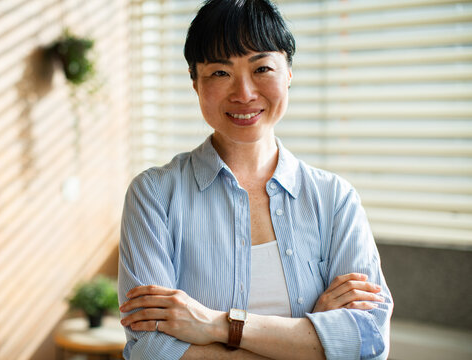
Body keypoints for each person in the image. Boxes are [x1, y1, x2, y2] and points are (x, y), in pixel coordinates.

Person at [118, 0, 393, 359]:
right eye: (220, 72)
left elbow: (367, 342)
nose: (244, 93)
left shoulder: (335, 198)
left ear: (289, 73)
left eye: (261, 67)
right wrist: (313, 341)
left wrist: (214, 325)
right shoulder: (153, 195)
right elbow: (151, 348)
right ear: (194, 82)